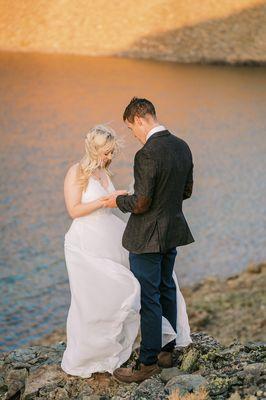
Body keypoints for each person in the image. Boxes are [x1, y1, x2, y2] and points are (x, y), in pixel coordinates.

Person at [61, 123, 191, 380]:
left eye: (111, 152)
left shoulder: (103, 174)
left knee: (140, 285)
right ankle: (93, 352)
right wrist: (104, 201)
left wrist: (122, 196)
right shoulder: (76, 172)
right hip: (86, 242)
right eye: (106, 152)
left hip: (110, 235)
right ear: (93, 148)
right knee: (95, 298)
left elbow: (113, 203)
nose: (109, 157)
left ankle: (153, 345)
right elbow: (74, 210)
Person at [102, 97, 194, 383]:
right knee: (166, 287)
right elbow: (186, 191)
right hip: (172, 232)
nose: (134, 134)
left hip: (146, 238)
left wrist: (119, 200)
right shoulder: (182, 146)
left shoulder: (147, 154)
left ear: (140, 119)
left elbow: (140, 203)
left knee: (148, 297)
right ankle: (167, 351)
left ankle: (148, 362)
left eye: (132, 129)